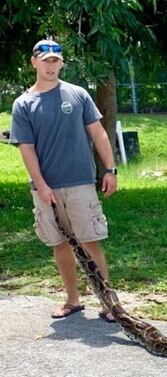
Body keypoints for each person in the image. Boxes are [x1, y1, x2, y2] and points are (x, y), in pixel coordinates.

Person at [10, 39, 118, 322]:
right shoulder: (23, 104)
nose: (50, 66)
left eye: (55, 61)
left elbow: (98, 133)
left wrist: (110, 169)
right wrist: (42, 186)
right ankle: (73, 300)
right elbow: (27, 149)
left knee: (90, 241)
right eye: (45, 60)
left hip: (81, 183)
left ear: (61, 63)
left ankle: (109, 302)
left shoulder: (78, 94)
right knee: (59, 244)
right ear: (34, 62)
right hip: (46, 189)